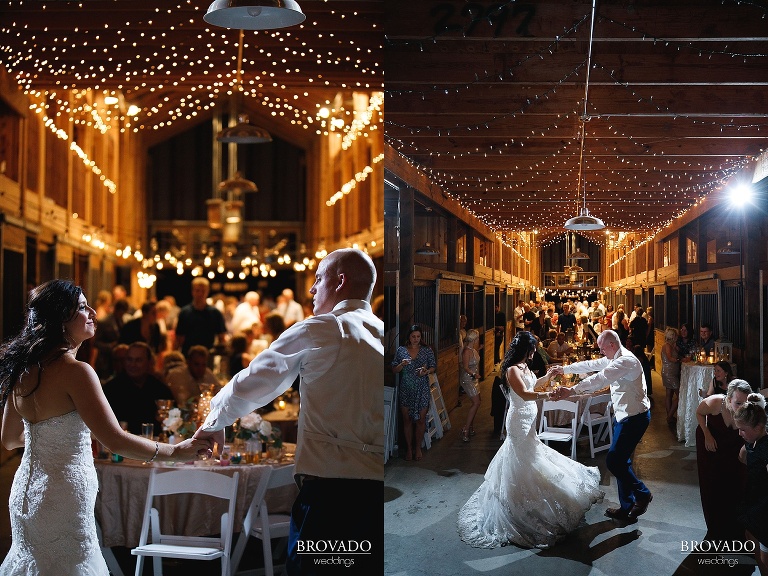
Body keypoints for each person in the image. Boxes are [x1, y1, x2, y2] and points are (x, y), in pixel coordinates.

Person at [191, 248, 384, 575]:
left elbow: (254, 380)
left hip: (332, 493)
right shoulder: (382, 332)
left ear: (340, 281)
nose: (311, 289)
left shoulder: (326, 328)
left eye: (318, 278)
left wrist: (214, 421)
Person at [0, 280, 208, 575]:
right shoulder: (76, 373)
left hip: (25, 491)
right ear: (62, 320)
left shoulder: (22, 368)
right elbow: (115, 441)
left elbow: (9, 439)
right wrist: (176, 451)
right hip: (63, 494)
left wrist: (50, 438)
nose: (94, 312)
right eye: (83, 307)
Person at [457, 331, 603, 548]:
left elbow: (534, 385)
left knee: (530, 458)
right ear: (525, 349)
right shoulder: (512, 370)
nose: (535, 352)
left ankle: (530, 498)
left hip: (529, 419)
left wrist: (549, 377)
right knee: (522, 460)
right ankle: (518, 506)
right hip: (518, 421)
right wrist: (549, 395)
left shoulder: (524, 366)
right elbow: (525, 394)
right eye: (533, 348)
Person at [551, 329, 652, 521]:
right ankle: (626, 507)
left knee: (614, 460)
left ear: (612, 345)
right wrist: (563, 369)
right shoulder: (613, 357)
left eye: (602, 348)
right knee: (622, 461)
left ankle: (643, 494)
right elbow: (590, 365)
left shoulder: (626, 361)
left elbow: (600, 379)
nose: (600, 352)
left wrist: (571, 391)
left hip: (635, 417)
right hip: (623, 415)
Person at [695, 380, 750, 539]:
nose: (742, 407)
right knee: (712, 482)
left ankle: (735, 526)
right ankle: (715, 526)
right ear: (728, 399)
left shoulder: (748, 408)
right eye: (738, 403)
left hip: (733, 445)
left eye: (745, 403)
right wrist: (707, 434)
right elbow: (699, 413)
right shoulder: (714, 403)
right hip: (712, 442)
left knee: (737, 482)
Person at [102, 342, 175, 435]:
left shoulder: (160, 389)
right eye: (129, 359)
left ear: (149, 362)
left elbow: (173, 423)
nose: (133, 364)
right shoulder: (111, 389)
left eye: (138, 360)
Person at [734, 394, 768, 575]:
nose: (740, 433)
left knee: (764, 556)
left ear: (759, 427)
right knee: (750, 535)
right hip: (753, 501)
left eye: (743, 430)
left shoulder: (765, 449)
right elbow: (742, 458)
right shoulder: (751, 443)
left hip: (764, 509)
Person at [392, 324, 436, 461]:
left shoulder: (427, 350)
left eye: (418, 336)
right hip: (406, 387)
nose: (416, 339)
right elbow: (394, 369)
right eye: (413, 336)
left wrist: (426, 371)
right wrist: (402, 364)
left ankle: (418, 448)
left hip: (422, 387)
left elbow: (433, 366)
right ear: (409, 337)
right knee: (407, 419)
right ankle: (409, 449)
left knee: (421, 419)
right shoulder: (401, 351)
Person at [175, 277, 227, 356]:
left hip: (208, 355)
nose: (200, 294)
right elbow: (179, 339)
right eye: (197, 290)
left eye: (203, 291)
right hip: (188, 355)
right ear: (192, 291)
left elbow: (221, 337)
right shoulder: (185, 312)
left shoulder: (215, 313)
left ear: (207, 292)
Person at [459, 329, 481, 442]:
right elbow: (465, 367)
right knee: (476, 402)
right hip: (468, 379)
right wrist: (474, 374)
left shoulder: (473, 349)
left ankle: (470, 426)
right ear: (474, 339)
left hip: (473, 378)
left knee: (476, 403)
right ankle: (466, 429)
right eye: (477, 338)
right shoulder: (467, 351)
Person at [660, 328, 681, 425]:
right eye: (676, 335)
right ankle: (669, 416)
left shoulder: (672, 345)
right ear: (672, 336)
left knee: (669, 394)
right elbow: (670, 358)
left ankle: (670, 416)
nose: (677, 336)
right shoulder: (667, 346)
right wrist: (680, 360)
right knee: (679, 395)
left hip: (670, 372)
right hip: (670, 373)